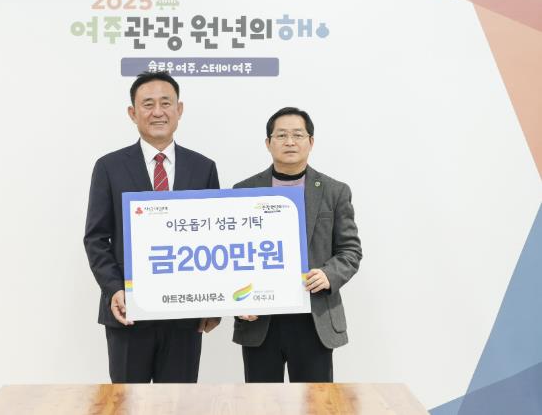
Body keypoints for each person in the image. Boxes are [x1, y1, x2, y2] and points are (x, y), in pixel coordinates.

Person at [83, 71, 220, 383]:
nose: (158, 112)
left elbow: (214, 240)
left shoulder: (203, 168)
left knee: (179, 403)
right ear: (133, 113)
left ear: (179, 110)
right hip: (128, 312)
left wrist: (214, 304)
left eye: (166, 103)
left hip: (185, 316)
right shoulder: (109, 167)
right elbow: (96, 238)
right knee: (128, 402)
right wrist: (115, 289)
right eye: (148, 104)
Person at [233, 106, 362, 382]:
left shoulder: (335, 191)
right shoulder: (243, 191)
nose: (289, 142)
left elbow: (350, 251)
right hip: (260, 320)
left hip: (313, 319)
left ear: (311, 141)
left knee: (315, 401)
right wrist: (236, 301)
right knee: (261, 402)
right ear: (268, 143)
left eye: (297, 135)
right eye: (281, 135)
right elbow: (232, 255)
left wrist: (328, 274)